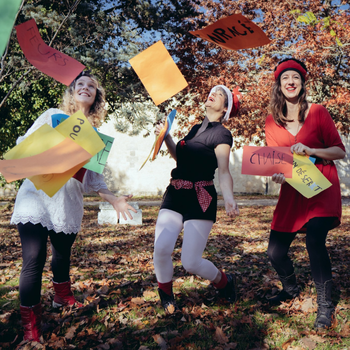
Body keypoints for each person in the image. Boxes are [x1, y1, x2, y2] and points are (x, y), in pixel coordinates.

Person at [11, 71, 137, 342]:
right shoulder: (52, 115)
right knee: (34, 259)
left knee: (62, 255)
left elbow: (94, 178)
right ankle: (30, 326)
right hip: (37, 195)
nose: (86, 87)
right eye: (80, 84)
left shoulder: (96, 137)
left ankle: (62, 297)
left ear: (96, 97)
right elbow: (23, 143)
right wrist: (48, 145)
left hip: (67, 202)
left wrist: (113, 198)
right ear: (72, 92)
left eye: (92, 86)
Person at [265, 58, 346, 329]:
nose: (291, 82)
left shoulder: (318, 112)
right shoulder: (271, 121)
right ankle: (290, 289)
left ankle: (325, 307)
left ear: (302, 83)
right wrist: (277, 173)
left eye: (296, 78)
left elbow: (339, 150)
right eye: (286, 78)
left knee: (314, 241)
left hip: (321, 186)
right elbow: (278, 163)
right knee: (275, 252)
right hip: (293, 190)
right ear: (279, 84)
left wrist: (311, 150)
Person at [153, 85, 240, 314]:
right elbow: (180, 158)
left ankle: (224, 282)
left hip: (201, 197)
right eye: (213, 91)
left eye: (220, 94)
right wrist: (166, 137)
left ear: (225, 109)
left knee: (190, 262)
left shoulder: (222, 134)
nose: (213, 94)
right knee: (161, 247)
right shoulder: (194, 129)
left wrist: (228, 198)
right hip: (176, 193)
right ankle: (166, 295)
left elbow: (223, 170)